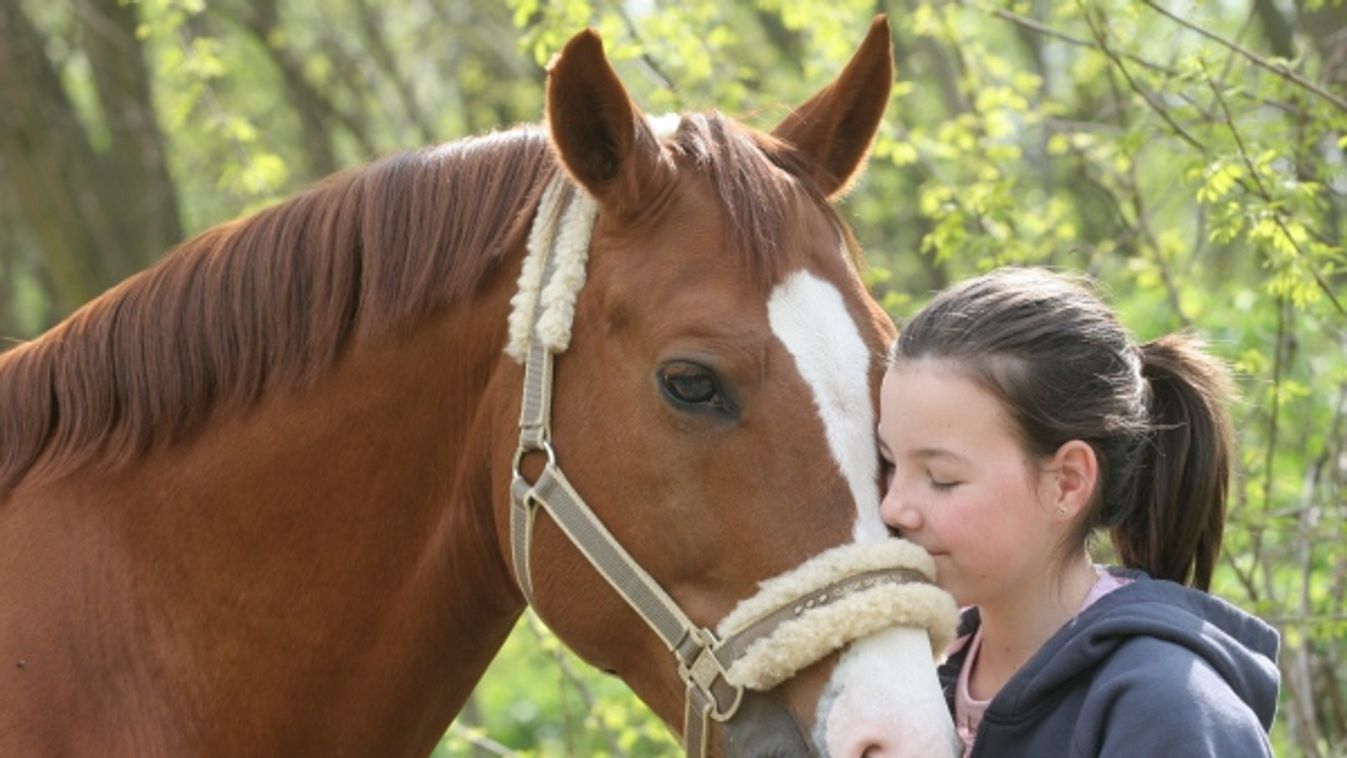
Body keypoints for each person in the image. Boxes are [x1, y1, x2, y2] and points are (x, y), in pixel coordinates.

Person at [877, 267, 1280, 756]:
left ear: (1067, 482)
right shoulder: (906, 677)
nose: (894, 507)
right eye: (889, 463)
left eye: (942, 479)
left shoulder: (1167, 707)